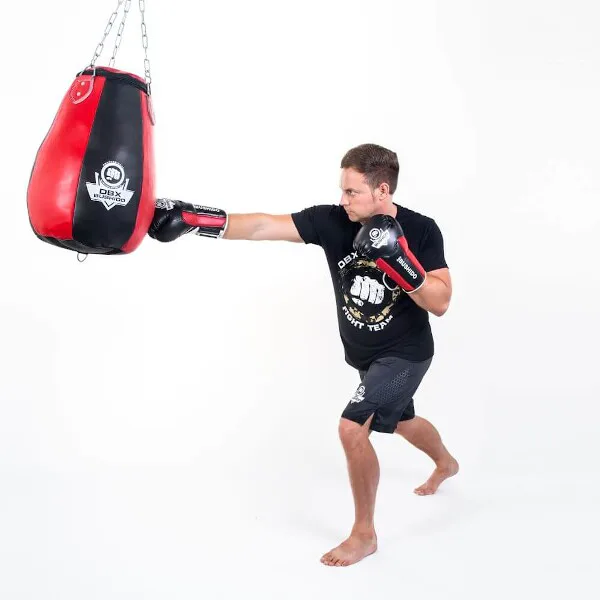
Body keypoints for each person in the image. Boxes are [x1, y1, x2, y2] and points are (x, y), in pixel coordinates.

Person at [149, 143, 459, 567]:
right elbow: (262, 226)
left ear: (382, 190)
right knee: (402, 420)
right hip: (365, 356)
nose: (343, 200)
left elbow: (441, 302)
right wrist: (196, 220)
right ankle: (446, 462)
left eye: (352, 192)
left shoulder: (422, 230)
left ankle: (364, 534)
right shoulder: (331, 221)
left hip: (406, 354)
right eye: (342, 190)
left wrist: (401, 261)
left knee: (353, 428)